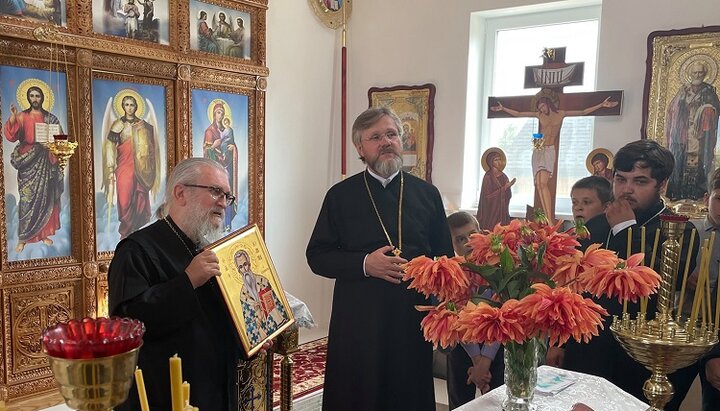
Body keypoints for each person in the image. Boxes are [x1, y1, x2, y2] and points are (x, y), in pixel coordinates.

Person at [306, 107, 454, 411]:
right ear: (360, 148)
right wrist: (364, 264)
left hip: (411, 319)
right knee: (358, 393)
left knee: (407, 392)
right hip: (359, 320)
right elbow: (317, 256)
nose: (386, 141)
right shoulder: (340, 195)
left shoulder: (427, 194)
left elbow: (446, 259)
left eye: (392, 134)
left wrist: (445, 311)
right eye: (375, 137)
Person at [108, 157, 256, 411]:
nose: (223, 202)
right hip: (165, 390)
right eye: (215, 191)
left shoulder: (210, 246)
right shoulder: (135, 250)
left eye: (227, 196)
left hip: (216, 381)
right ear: (180, 193)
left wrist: (252, 335)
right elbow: (128, 325)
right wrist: (188, 282)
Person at [562, 139, 699, 411]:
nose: (626, 190)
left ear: (662, 185)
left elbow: (658, 283)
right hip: (590, 346)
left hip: (639, 353)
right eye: (621, 179)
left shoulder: (680, 230)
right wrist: (561, 343)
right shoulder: (596, 225)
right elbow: (573, 286)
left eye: (640, 181)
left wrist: (626, 229)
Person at [491, 95, 618, 222]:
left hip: (550, 149)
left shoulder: (561, 114)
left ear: (548, 104)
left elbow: (583, 111)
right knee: (539, 183)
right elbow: (519, 113)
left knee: (543, 183)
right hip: (539, 148)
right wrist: (503, 108)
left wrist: (601, 105)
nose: (541, 109)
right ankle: (546, 219)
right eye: (539, 108)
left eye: (543, 106)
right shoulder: (539, 115)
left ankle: (549, 219)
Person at [445, 211, 503, 409]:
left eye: (472, 235)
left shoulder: (500, 268)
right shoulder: (450, 274)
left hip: (496, 348)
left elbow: (503, 316)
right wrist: (477, 361)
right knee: (460, 402)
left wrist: (484, 362)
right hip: (463, 349)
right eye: (460, 239)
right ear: (451, 244)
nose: (468, 243)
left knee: (499, 401)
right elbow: (455, 319)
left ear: (483, 233)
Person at [3, 85, 64, 253]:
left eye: (38, 96)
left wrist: (52, 145)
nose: (35, 99)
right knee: (27, 200)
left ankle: (43, 234)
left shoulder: (51, 118)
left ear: (42, 98)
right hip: (28, 161)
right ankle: (23, 238)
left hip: (46, 161)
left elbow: (61, 142)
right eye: (32, 96)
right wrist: (14, 118)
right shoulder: (22, 116)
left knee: (45, 197)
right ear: (28, 98)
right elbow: (11, 136)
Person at [685, 167, 720, 410]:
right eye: (719, 199)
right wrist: (682, 277)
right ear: (707, 197)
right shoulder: (689, 231)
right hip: (685, 326)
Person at [103, 94, 160, 240]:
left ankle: (139, 231)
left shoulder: (143, 125)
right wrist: (109, 168)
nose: (129, 108)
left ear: (136, 107)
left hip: (141, 169)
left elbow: (150, 150)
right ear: (123, 107)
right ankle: (126, 232)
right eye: (126, 104)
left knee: (140, 198)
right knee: (124, 200)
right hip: (124, 167)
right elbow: (110, 146)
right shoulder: (118, 125)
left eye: (132, 105)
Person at [665, 60, 720, 201]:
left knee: (698, 162)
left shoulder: (709, 90)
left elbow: (715, 110)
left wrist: (704, 110)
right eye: (695, 72)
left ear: (705, 74)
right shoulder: (683, 90)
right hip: (683, 133)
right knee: (680, 161)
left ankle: (697, 194)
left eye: (700, 72)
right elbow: (672, 109)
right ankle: (678, 194)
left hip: (700, 134)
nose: (697, 75)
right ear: (690, 73)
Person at [234, 249, 288, 346]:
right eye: (241, 267)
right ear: (238, 270)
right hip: (260, 329)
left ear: (249, 263)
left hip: (273, 321)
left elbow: (277, 304)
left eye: (245, 264)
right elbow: (248, 321)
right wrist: (258, 316)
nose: (245, 269)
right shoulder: (243, 294)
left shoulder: (263, 281)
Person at [203, 103, 237, 231]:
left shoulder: (227, 130)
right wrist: (212, 146)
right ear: (213, 114)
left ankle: (227, 224)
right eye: (218, 112)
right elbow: (206, 150)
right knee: (217, 198)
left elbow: (231, 145)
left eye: (222, 113)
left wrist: (233, 148)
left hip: (227, 167)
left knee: (227, 198)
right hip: (215, 172)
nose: (220, 115)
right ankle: (215, 228)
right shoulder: (210, 131)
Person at [476, 149, 515, 230]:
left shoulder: (503, 176)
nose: (499, 162)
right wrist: (504, 188)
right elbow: (487, 196)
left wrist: (508, 188)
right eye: (496, 160)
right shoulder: (488, 176)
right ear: (491, 162)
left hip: (502, 211)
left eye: (499, 159)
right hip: (491, 211)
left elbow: (508, 195)